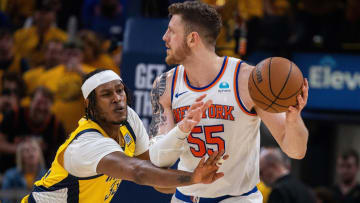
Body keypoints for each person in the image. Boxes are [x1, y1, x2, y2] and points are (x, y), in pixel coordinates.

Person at [149, 1, 309, 202]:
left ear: (192, 39)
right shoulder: (165, 85)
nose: (165, 37)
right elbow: (158, 159)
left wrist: (294, 120)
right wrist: (182, 128)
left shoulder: (248, 80)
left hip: (237, 198)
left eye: (171, 31)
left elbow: (296, 151)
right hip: (186, 197)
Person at [21, 69, 225, 203]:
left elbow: (155, 176)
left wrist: (196, 187)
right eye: (106, 94)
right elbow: (139, 173)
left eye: (120, 91)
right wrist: (192, 177)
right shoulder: (86, 143)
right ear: (89, 104)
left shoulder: (129, 119)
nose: (117, 98)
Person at [0, 87, 67, 167]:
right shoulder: (15, 115)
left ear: (51, 106)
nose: (41, 108)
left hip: (43, 174)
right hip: (10, 169)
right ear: (31, 102)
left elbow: (63, 155)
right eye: (39, 102)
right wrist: (21, 149)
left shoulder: (56, 125)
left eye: (46, 104)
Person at [1, 138, 47, 203]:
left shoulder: (48, 176)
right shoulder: (10, 175)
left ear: (40, 154)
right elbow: (5, 199)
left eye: (34, 149)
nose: (31, 154)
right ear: (20, 156)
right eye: (26, 150)